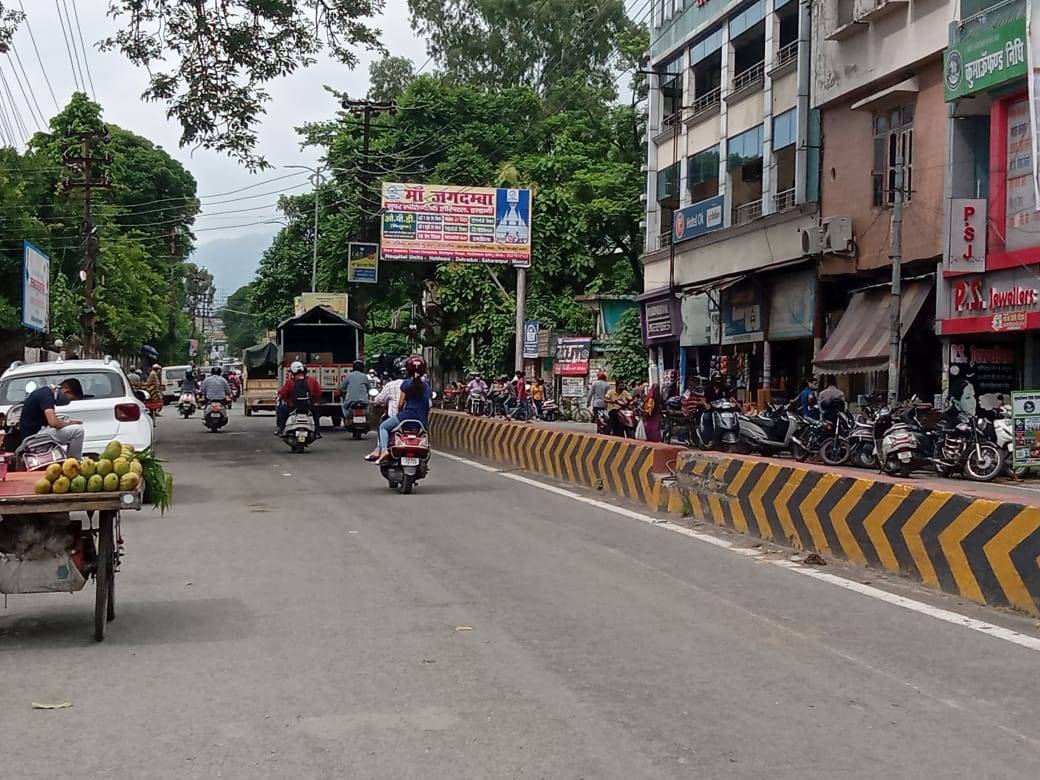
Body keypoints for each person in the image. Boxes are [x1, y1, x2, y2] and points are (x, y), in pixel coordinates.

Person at [367, 355, 431, 463]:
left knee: (383, 426)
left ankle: (383, 451)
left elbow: (400, 404)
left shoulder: (406, 384)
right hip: (421, 421)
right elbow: (428, 405)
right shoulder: (426, 386)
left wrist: (401, 412)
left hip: (406, 417)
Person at [18, 378, 85, 458]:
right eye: (70, 399)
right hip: (33, 437)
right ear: (66, 392)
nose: (68, 402)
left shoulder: (45, 393)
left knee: (70, 425)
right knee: (78, 431)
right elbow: (53, 422)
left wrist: (67, 423)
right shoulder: (46, 396)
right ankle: (74, 461)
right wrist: (70, 423)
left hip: (38, 433)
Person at [276, 361, 322, 436]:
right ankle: (317, 432)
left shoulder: (290, 382)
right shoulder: (312, 380)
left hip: (293, 407)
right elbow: (318, 393)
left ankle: (281, 430)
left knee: (281, 410)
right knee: (316, 413)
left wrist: (288, 402)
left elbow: (283, 394)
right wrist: (313, 402)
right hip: (308, 407)